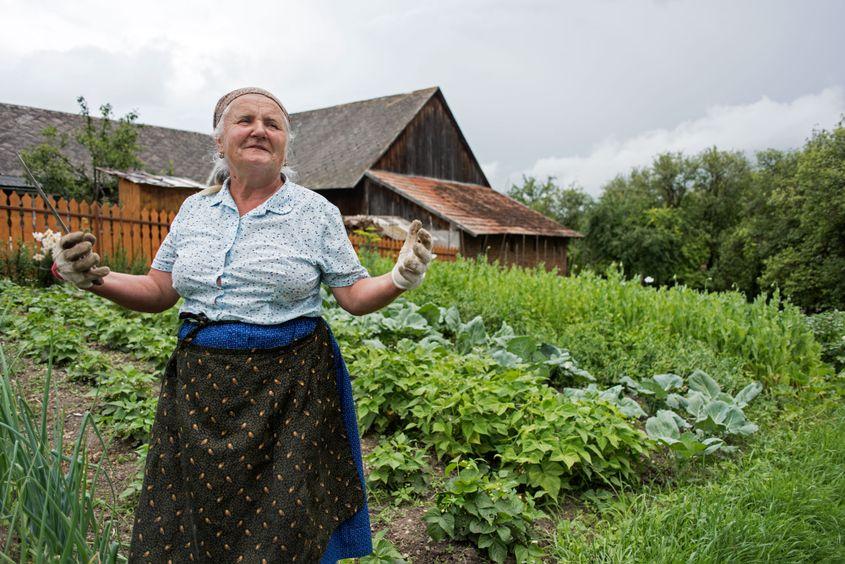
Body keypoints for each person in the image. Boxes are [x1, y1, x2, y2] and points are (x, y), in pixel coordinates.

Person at [51, 86, 434, 563]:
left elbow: (354, 296)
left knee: (285, 524)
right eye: (245, 120)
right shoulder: (194, 211)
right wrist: (93, 279)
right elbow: (157, 290)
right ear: (219, 140)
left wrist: (399, 278)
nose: (259, 130)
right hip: (201, 387)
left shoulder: (316, 213)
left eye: (272, 124)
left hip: (291, 389)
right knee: (198, 515)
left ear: (286, 145)